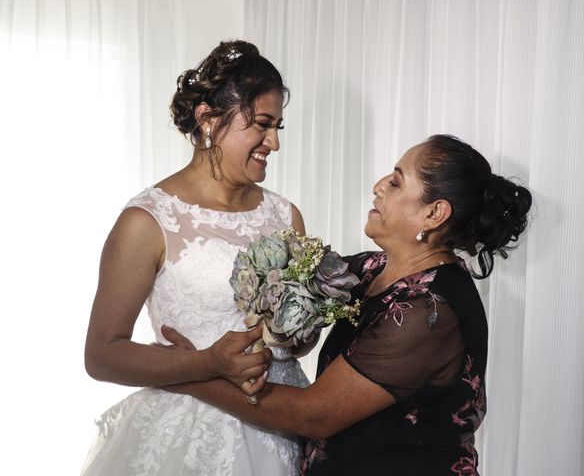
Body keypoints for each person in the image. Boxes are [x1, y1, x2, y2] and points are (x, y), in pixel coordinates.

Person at [161, 134, 533, 475]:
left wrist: (189, 375)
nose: (378, 187)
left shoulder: (428, 312)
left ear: (433, 214)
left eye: (396, 181)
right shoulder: (370, 270)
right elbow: (294, 302)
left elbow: (315, 415)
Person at [81, 40, 311, 475]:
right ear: (208, 119)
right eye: (262, 124)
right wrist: (206, 363)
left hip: (283, 424)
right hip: (189, 442)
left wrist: (290, 335)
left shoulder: (285, 215)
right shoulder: (147, 220)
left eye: (279, 126)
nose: (274, 143)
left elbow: (298, 339)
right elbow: (101, 354)